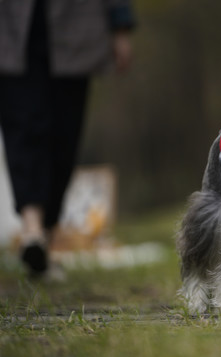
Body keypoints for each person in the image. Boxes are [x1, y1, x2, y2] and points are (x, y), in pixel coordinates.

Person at [0, 0, 136, 275]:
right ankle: (33, 230)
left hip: (76, 28)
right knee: (24, 127)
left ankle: (42, 239)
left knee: (64, 135)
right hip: (10, 29)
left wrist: (120, 25)